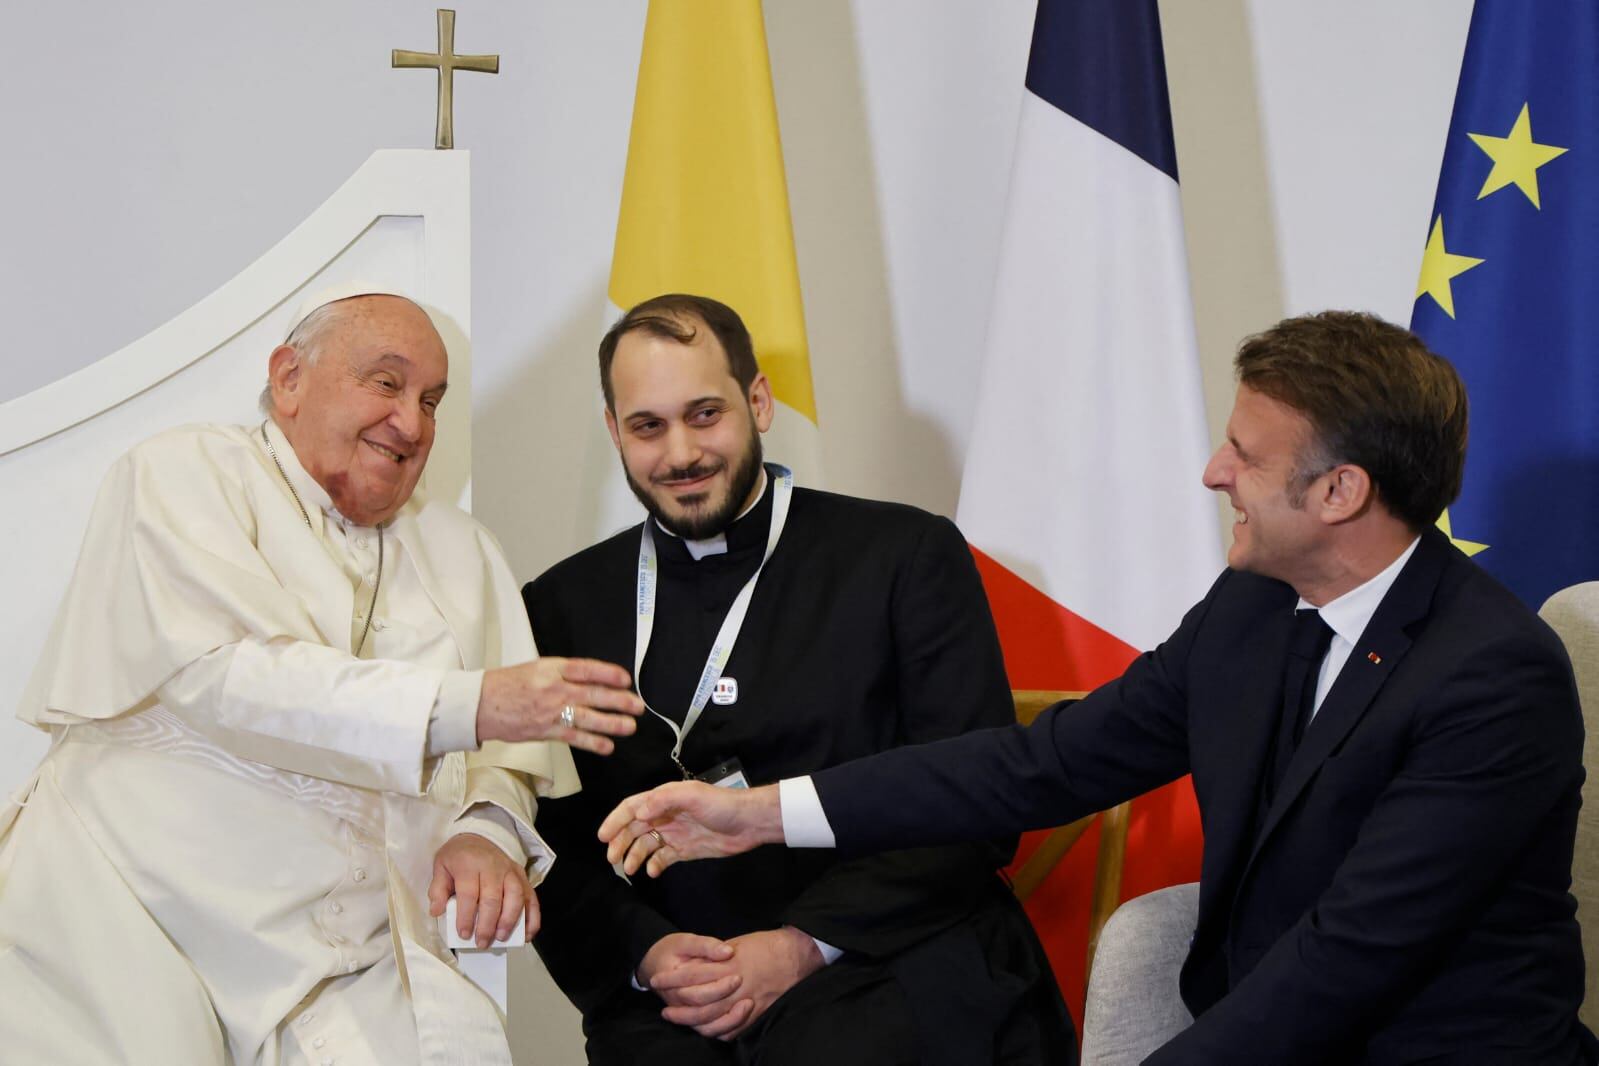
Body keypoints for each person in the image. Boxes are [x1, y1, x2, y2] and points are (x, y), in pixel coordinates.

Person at [603, 311, 1598, 1064]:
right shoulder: (1251, 608)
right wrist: (763, 814)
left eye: (1245, 455)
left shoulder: (1491, 677)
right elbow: (1042, 765)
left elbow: (1351, 953)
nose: (1213, 472)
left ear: (1340, 493)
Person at [0, 291, 645, 1066]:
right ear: (288, 378)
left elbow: (510, 762)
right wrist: (467, 705)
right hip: (134, 911)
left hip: (349, 946)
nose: (412, 423)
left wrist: (485, 829)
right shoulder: (184, 471)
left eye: (431, 400)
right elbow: (223, 677)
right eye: (385, 383)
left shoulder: (460, 548)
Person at [522, 293, 1075, 1066]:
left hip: (889, 960)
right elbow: (551, 838)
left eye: (705, 414)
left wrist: (799, 947)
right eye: (647, 426)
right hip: (678, 996)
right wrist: (649, 954)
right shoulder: (557, 606)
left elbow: (974, 803)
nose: (680, 453)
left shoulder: (903, 557)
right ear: (614, 430)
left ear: (758, 402)